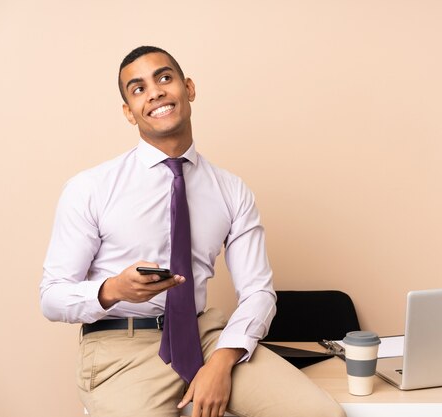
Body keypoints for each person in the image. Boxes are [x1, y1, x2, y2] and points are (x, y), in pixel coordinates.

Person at [40, 45, 346, 417]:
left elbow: (258, 293)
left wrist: (221, 361)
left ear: (189, 88)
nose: (154, 92)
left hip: (206, 336)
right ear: (129, 113)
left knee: (320, 414)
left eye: (164, 78)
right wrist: (114, 289)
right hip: (123, 345)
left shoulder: (231, 190)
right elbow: (52, 297)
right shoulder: (90, 188)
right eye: (138, 89)